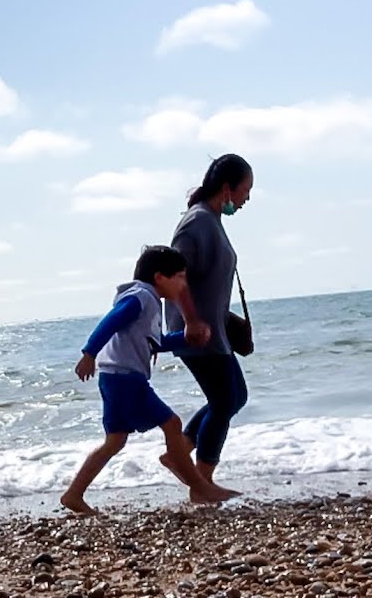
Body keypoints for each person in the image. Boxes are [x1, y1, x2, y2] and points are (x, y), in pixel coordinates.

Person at [60, 246, 237, 515]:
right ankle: (199, 486)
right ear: (159, 277)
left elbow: (155, 343)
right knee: (173, 424)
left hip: (114, 378)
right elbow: (112, 321)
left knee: (115, 440)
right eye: (179, 276)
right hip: (126, 378)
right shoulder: (141, 297)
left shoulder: (147, 300)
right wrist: (88, 353)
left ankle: (73, 494)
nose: (183, 284)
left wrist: (186, 339)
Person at [162, 153, 254, 494]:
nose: (247, 199)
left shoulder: (211, 219)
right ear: (227, 188)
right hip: (195, 331)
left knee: (233, 397)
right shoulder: (197, 222)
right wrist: (191, 321)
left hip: (210, 328)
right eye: (245, 190)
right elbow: (174, 275)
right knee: (226, 400)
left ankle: (181, 454)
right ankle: (202, 482)